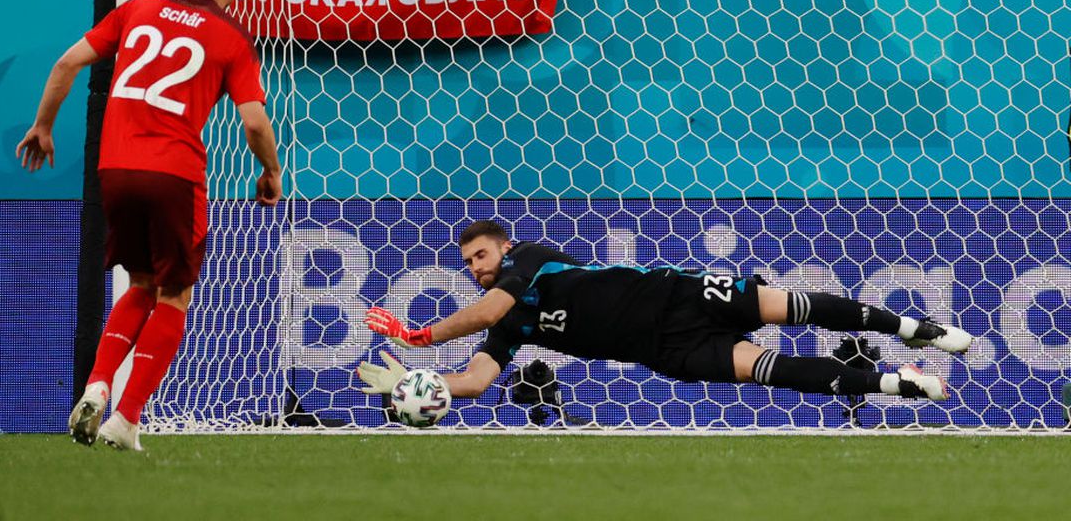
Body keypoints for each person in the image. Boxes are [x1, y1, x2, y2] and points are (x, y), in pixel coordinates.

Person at [17, 0, 283, 451]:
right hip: (174, 174)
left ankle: (98, 384)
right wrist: (271, 171)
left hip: (115, 168)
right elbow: (254, 123)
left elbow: (66, 63)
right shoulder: (232, 38)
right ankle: (126, 418)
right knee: (174, 293)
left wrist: (43, 125)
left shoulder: (137, 9)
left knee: (140, 281)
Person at [357, 219, 973, 409]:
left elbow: (489, 305)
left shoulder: (530, 261)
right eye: (467, 263)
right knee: (773, 369)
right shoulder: (509, 325)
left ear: (505, 248)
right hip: (665, 349)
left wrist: (419, 336)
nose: (475, 268)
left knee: (793, 306)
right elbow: (475, 380)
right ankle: (899, 383)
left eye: (480, 256)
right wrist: (421, 384)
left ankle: (913, 330)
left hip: (674, 295)